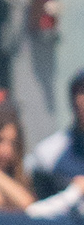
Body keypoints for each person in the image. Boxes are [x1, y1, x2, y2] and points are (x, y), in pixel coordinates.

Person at [28, 69, 84, 197]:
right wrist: (74, 192)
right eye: (82, 91)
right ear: (73, 100)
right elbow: (39, 208)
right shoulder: (48, 152)